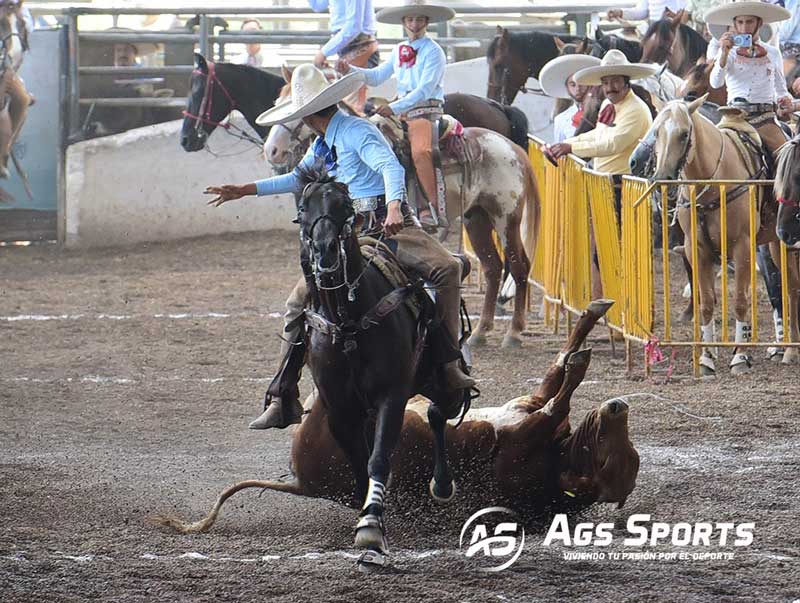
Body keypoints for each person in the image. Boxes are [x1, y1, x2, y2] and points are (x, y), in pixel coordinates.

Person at [204, 64, 475, 429]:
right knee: (298, 301)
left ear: (306, 115)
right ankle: (283, 394)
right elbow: (298, 178)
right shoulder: (323, 143)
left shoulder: (357, 132)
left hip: (385, 224)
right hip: (347, 231)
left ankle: (447, 362)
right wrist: (246, 189)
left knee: (448, 267)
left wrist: (395, 204)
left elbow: (391, 168)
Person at [336, 0, 455, 229]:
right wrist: (350, 70)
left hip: (425, 110)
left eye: (419, 19)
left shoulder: (434, 51)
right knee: (368, 134)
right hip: (401, 110)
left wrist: (396, 107)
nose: (414, 23)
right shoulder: (399, 49)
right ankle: (372, 200)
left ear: (426, 22)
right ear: (404, 22)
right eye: (410, 19)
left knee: (421, 152)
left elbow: (425, 90)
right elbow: (377, 76)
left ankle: (432, 209)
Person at [546, 50, 656, 188]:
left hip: (627, 187)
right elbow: (598, 134)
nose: (610, 88)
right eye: (605, 83)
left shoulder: (636, 109)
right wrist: (564, 144)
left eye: (615, 81)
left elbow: (613, 145)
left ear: (626, 82)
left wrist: (571, 147)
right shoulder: (607, 104)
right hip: (606, 183)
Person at [707, 1, 793, 157]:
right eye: (740, 22)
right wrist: (723, 55)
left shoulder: (772, 53)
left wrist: (785, 100)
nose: (744, 27)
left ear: (759, 23)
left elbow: (781, 90)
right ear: (735, 24)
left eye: (749, 22)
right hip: (732, 117)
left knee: (788, 157)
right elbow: (715, 83)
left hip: (765, 119)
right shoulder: (727, 52)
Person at [308, 0, 380, 113]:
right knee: (349, 105)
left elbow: (354, 27)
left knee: (352, 107)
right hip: (349, 46)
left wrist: (324, 52)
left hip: (360, 45)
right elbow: (318, 5)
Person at [539, 54, 601, 143]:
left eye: (581, 83)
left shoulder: (604, 111)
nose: (578, 88)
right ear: (567, 88)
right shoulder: (561, 120)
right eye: (572, 84)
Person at [607, 0, 687, 24]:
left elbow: (684, 11)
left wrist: (674, 16)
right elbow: (642, 12)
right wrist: (620, 12)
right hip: (653, 28)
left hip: (672, 27)